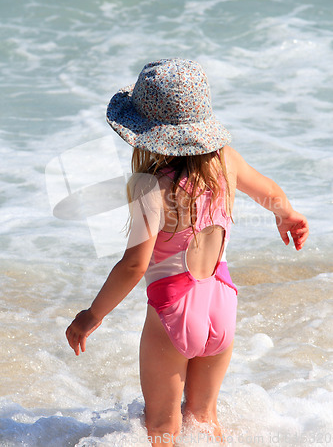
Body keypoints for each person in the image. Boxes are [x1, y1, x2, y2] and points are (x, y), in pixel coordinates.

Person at [66, 58, 309, 446]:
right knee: (204, 418)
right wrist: (288, 216)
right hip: (221, 304)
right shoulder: (225, 161)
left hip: (172, 313)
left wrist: (91, 315)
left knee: (162, 425)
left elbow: (133, 266)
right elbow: (272, 194)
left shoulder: (151, 186)